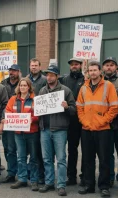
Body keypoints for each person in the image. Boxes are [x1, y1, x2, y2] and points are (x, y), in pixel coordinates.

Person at [76, 61, 118, 197]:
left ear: (100, 71)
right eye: (90, 70)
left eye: (95, 70)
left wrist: (102, 121)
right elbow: (79, 107)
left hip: (103, 129)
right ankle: (89, 185)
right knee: (88, 159)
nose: (93, 72)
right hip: (87, 128)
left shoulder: (108, 86)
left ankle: (104, 186)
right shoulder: (83, 87)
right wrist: (84, 121)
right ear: (87, 72)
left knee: (104, 159)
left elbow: (114, 107)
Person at [37, 65, 76, 196]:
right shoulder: (42, 91)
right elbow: (38, 110)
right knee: (47, 158)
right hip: (44, 129)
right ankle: (49, 182)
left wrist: (66, 107)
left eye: (52, 75)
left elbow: (74, 110)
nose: (49, 77)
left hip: (59, 129)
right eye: (47, 75)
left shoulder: (65, 91)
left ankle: (61, 185)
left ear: (57, 76)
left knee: (61, 159)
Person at [0, 78, 39, 191]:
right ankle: (22, 179)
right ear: (18, 87)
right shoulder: (13, 99)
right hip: (18, 133)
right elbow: (8, 111)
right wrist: (5, 120)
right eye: (21, 85)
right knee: (21, 157)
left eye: (25, 85)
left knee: (34, 158)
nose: (23, 87)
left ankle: (34, 180)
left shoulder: (35, 99)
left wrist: (33, 119)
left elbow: (39, 114)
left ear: (29, 87)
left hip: (32, 132)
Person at [102, 57, 118, 189]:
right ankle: (110, 177)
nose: (109, 68)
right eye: (106, 65)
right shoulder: (100, 81)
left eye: (112, 65)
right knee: (108, 154)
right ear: (103, 68)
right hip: (105, 124)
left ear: (116, 67)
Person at [60, 57, 85, 186]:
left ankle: (85, 176)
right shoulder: (64, 79)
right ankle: (71, 176)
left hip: (84, 119)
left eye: (76, 64)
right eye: (72, 64)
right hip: (70, 119)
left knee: (86, 150)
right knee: (72, 150)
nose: (74, 66)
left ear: (81, 65)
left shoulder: (86, 79)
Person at [27, 58, 46, 184]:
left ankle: (41, 175)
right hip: (28, 118)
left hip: (42, 118)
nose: (33, 67)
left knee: (40, 150)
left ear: (40, 67)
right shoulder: (26, 79)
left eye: (35, 65)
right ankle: (31, 173)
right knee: (30, 150)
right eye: (32, 65)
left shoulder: (44, 80)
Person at [1, 64, 21, 183]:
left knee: (22, 149)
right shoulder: (3, 83)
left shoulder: (24, 83)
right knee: (8, 148)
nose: (12, 72)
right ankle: (11, 172)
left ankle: (23, 172)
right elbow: (1, 103)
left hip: (21, 120)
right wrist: (1, 120)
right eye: (10, 71)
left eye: (14, 71)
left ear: (18, 72)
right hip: (7, 120)